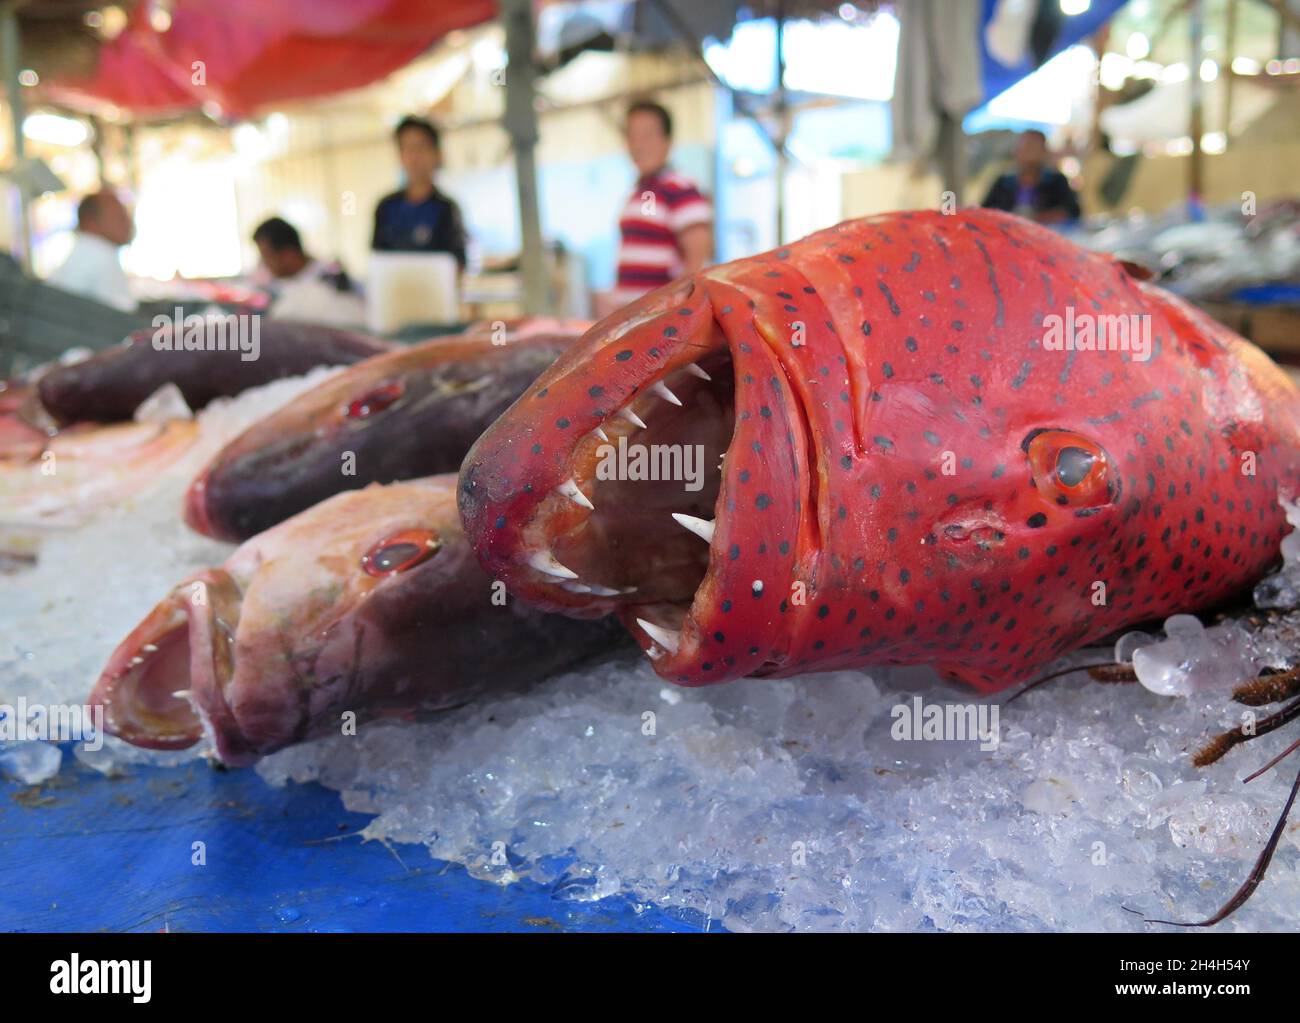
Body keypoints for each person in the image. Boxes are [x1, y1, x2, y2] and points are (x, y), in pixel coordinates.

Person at [608, 100, 713, 310]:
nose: (638, 145)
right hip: (633, 320)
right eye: (632, 136)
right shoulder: (641, 192)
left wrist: (676, 314)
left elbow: (697, 260)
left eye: (647, 135)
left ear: (667, 141)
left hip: (659, 322)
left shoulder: (679, 188)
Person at [371, 116, 468, 268]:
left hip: (436, 290)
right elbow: (377, 260)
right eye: (407, 148)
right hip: (396, 289)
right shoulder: (386, 207)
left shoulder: (446, 209)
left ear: (437, 154)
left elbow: (458, 263)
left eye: (420, 147)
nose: (414, 157)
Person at [252, 216, 365, 327]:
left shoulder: (332, 282)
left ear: (288, 255)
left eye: (267, 257)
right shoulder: (274, 286)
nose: (264, 264)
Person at [47, 189, 137, 311]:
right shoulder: (101, 256)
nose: (128, 223)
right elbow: (124, 318)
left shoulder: (81, 254)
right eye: (119, 216)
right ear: (90, 221)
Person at [981, 129, 1081, 225]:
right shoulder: (1003, 182)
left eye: (1034, 147)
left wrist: (1038, 218)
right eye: (1025, 147)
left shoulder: (1057, 181)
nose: (1028, 152)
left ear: (1044, 152)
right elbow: (984, 212)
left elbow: (1072, 212)